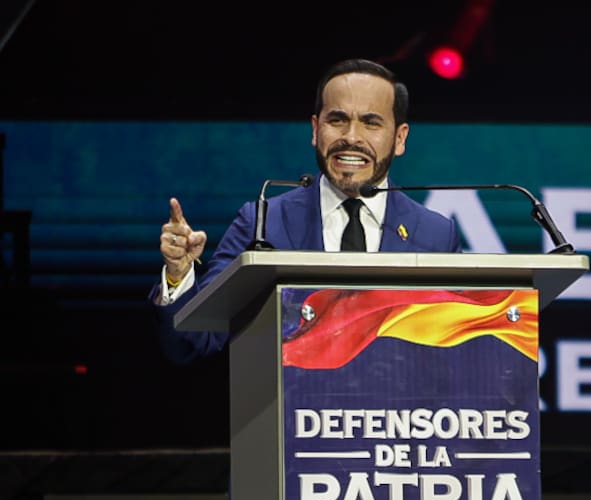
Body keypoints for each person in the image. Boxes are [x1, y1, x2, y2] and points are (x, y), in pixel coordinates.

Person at [150, 57, 461, 363]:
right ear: (315, 129)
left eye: (371, 123)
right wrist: (179, 276)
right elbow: (194, 342)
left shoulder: (435, 234)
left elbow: (461, 351)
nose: (351, 137)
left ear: (399, 138)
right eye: (337, 120)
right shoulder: (262, 222)